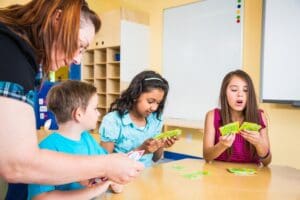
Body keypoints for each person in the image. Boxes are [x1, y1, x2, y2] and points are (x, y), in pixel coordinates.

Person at [0, 0, 143, 197]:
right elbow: (16, 164)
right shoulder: (10, 52)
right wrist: (106, 165)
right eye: (80, 46)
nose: (77, 59)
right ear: (57, 19)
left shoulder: (18, 55)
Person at [28, 80, 123, 200]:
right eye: (95, 108)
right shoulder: (46, 148)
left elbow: (106, 168)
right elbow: (41, 198)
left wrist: (114, 181)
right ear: (78, 115)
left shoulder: (87, 139)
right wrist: (94, 191)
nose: (98, 113)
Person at [99, 70, 178, 167]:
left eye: (158, 103)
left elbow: (155, 158)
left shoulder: (156, 119)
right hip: (120, 177)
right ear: (135, 95)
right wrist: (141, 150)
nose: (154, 108)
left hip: (145, 176)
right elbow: (104, 165)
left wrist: (161, 145)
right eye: (150, 101)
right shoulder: (113, 120)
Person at [203, 69, 271, 166]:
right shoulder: (212, 116)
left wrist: (259, 143)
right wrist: (221, 145)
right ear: (224, 93)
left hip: (251, 178)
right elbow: (207, 156)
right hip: (220, 176)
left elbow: (267, 162)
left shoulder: (260, 116)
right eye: (234, 90)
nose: (240, 94)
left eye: (246, 90)